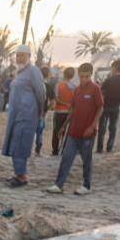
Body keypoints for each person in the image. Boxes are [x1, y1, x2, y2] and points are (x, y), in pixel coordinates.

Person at [47, 62, 103, 195]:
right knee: (66, 158)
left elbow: (100, 108)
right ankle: (59, 185)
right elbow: (72, 110)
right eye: (81, 76)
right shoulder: (77, 89)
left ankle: (86, 185)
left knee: (87, 160)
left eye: (86, 76)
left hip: (87, 133)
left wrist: (92, 126)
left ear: (91, 75)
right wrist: (63, 127)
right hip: (73, 132)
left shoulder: (95, 89)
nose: (84, 79)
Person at [1, 45, 46, 187]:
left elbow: (41, 93)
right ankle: (18, 173)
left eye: (22, 55)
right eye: (17, 55)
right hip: (16, 115)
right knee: (15, 144)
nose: (18, 58)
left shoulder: (33, 71)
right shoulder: (19, 72)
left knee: (20, 144)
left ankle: (22, 177)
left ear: (29, 56)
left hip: (27, 114)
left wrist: (41, 113)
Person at [97, 59, 120, 153]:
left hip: (105, 106)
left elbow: (101, 91)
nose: (111, 69)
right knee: (113, 127)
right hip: (116, 106)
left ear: (115, 67)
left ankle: (100, 148)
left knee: (102, 128)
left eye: (112, 67)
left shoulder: (109, 79)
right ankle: (109, 148)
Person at [51, 67, 75, 156]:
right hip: (69, 112)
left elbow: (56, 99)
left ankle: (55, 151)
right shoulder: (74, 87)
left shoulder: (59, 85)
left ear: (64, 74)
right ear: (72, 76)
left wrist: (64, 103)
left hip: (59, 112)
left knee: (56, 131)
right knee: (66, 132)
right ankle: (64, 150)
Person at [36, 66, 56, 156]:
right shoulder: (48, 86)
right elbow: (52, 103)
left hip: (30, 112)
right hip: (41, 114)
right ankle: (37, 150)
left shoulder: (34, 85)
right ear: (47, 74)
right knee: (39, 133)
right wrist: (45, 110)